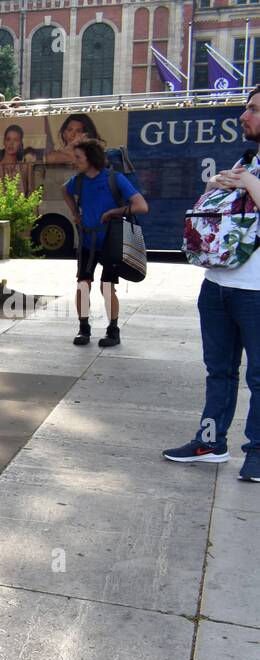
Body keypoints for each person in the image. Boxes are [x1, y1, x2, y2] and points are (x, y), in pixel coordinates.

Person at [163, 86, 260, 482]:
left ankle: (256, 453)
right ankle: (210, 441)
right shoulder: (247, 158)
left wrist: (246, 183)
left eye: (253, 109)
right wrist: (215, 188)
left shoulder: (250, 169)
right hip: (217, 283)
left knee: (259, 376)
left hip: (255, 290)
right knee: (218, 370)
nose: (244, 115)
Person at [63, 137, 148, 348]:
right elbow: (65, 190)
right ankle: (84, 329)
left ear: (91, 158)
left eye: (78, 157)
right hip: (86, 241)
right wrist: (75, 213)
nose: (74, 161)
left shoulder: (114, 178)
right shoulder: (78, 181)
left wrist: (113, 212)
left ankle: (113, 330)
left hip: (111, 242)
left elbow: (141, 206)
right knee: (83, 285)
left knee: (107, 287)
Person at [0, 123, 33, 194]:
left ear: (20, 144)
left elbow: (32, 196)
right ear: (4, 141)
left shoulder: (26, 168)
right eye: (8, 139)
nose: (11, 143)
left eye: (15, 140)